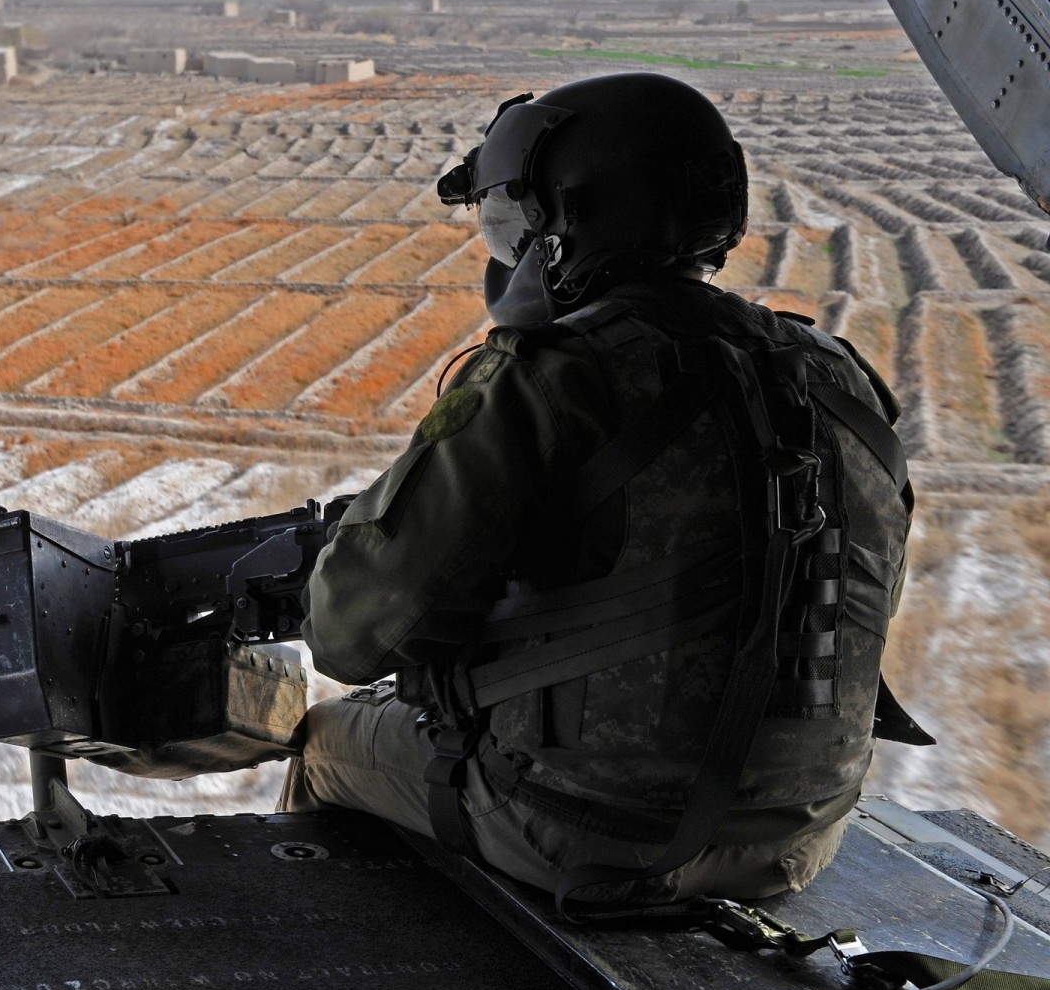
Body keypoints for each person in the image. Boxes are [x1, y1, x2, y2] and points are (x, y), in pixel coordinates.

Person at [281, 72, 929, 910]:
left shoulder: (554, 376)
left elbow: (352, 637)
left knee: (326, 742)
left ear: (564, 221)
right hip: (800, 838)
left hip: (590, 830)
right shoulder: (837, 375)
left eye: (514, 219)